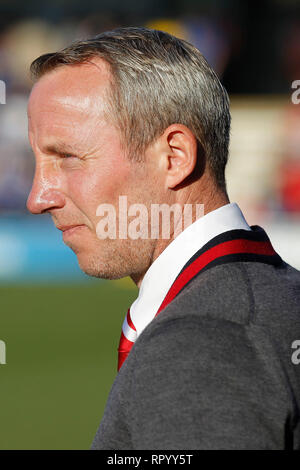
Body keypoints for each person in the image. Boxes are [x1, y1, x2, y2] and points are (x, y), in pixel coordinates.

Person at [26, 27, 300, 450]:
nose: (37, 198)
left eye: (67, 159)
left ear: (174, 157)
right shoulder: (271, 293)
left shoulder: (201, 346)